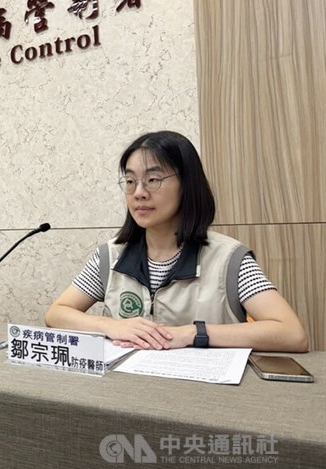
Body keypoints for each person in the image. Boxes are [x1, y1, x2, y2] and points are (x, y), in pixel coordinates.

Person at [45, 131, 309, 352]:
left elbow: (292, 334)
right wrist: (112, 326)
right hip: (124, 397)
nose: (139, 193)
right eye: (130, 181)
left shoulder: (229, 259)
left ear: (187, 184)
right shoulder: (111, 256)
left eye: (153, 179)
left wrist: (192, 333)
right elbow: (57, 314)